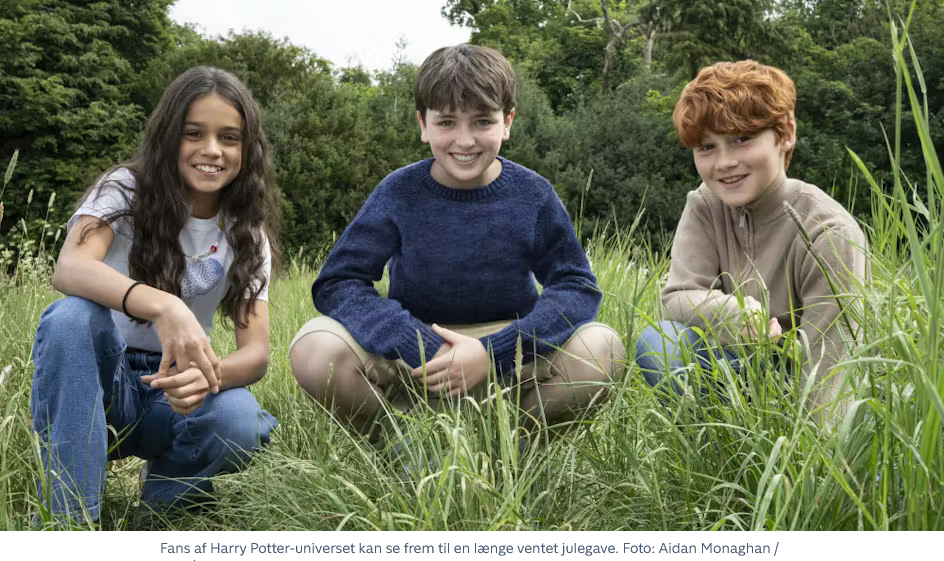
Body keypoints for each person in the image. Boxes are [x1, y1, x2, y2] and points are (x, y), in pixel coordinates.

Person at [289, 44, 626, 449]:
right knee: (314, 347)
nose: (465, 141)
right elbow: (338, 282)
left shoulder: (533, 194)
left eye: (482, 121)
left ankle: (511, 451)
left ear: (507, 122)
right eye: (447, 122)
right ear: (423, 124)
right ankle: (404, 451)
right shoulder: (399, 192)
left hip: (509, 361)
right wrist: (416, 343)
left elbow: (576, 285)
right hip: (414, 361)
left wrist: (494, 353)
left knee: (603, 347)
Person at [30, 67, 280, 526]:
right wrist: (165, 305)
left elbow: (257, 354)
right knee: (70, 318)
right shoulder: (124, 189)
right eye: (193, 133)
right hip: (100, 377)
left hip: (176, 389)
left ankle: (162, 517)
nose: (212, 150)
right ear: (168, 135)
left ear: (248, 148)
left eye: (229, 137)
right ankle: (69, 523)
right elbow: (69, 267)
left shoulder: (248, 234)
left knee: (240, 417)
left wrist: (209, 376)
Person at [634, 60, 868, 424]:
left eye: (742, 139)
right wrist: (734, 314)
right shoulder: (705, 205)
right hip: (730, 363)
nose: (724, 162)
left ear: (786, 133)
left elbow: (832, 361)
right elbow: (678, 295)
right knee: (658, 342)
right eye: (707, 147)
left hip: (799, 377)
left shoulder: (829, 230)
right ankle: (712, 446)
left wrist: (815, 447)